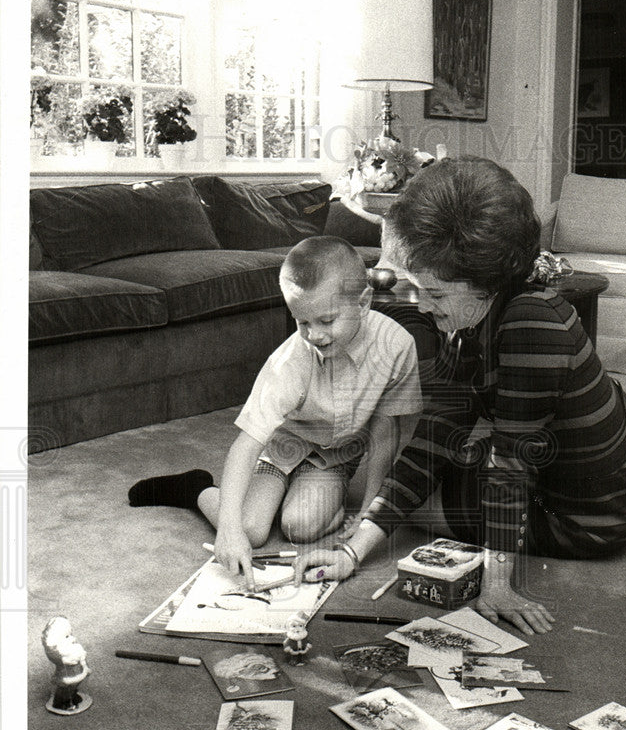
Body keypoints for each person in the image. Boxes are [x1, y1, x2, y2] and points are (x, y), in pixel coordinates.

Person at [292, 158, 626, 636]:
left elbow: (511, 463)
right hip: (563, 475)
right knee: (403, 473)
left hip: (594, 515)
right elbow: (436, 436)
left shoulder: (533, 321)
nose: (422, 305)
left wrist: (497, 581)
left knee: (383, 495)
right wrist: (353, 551)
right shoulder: (468, 323)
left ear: (488, 282)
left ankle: (313, 468)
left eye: (437, 294)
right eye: (420, 288)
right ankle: (329, 480)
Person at [129, 236, 422, 587]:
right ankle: (195, 487)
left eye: (326, 321)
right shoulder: (290, 361)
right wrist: (229, 532)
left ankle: (322, 500)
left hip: (334, 457)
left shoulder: (397, 346)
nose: (313, 335)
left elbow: (384, 433)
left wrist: (366, 512)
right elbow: (246, 445)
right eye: (301, 322)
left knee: (299, 527)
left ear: (363, 302)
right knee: (250, 530)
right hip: (281, 450)